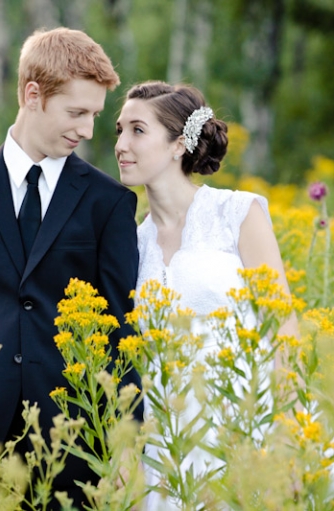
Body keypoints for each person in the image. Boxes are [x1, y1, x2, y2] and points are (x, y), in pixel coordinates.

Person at [0, 27, 141, 509]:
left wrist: (127, 439)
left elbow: (122, 329)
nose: (88, 131)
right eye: (76, 113)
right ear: (33, 95)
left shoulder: (109, 203)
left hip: (75, 442)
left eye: (95, 115)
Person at [115, 81, 299, 509]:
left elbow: (283, 327)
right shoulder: (132, 242)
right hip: (169, 443)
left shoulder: (238, 213)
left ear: (178, 144)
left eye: (138, 130)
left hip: (246, 424)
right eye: (119, 131)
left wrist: (290, 434)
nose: (121, 145)